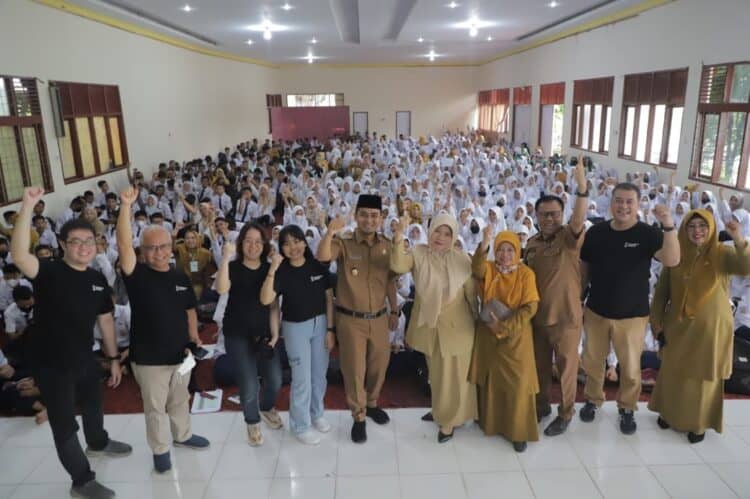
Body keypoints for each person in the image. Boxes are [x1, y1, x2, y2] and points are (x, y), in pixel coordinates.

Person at [12, 186, 131, 499]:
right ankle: (81, 480)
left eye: (89, 241)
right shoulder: (49, 271)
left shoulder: (95, 280)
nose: (83, 247)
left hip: (84, 355)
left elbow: (106, 321)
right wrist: (27, 206)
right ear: (62, 244)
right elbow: (20, 255)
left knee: (93, 401)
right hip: (51, 362)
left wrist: (114, 358)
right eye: (75, 242)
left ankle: (98, 441)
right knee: (64, 422)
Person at [116, 186, 209, 474]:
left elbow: (190, 309)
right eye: (151, 248)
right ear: (142, 252)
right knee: (155, 408)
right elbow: (122, 245)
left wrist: (194, 338)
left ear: (172, 247)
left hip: (180, 354)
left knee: (180, 398)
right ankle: (160, 450)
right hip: (149, 358)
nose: (158, 253)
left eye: (163, 246)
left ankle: (182, 435)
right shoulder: (137, 275)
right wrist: (126, 207)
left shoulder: (179, 275)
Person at [579, 183, 680, 434]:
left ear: (638, 205)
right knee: (592, 362)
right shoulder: (597, 232)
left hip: (632, 315)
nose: (623, 206)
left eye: (629, 202)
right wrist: (579, 299)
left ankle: (627, 407)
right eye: (619, 201)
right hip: (596, 311)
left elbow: (672, 259)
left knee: (631, 368)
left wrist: (668, 224)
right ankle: (593, 400)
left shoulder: (648, 234)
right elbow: (584, 269)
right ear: (611, 203)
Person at [649, 210, 750, 443]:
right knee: (674, 371)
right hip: (678, 325)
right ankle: (669, 413)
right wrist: (656, 322)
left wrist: (738, 238)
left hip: (711, 328)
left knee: (704, 377)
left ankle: (699, 423)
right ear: (684, 229)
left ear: (712, 229)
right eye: (691, 226)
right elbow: (662, 292)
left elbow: (746, 267)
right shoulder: (676, 254)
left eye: (702, 226)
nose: (697, 231)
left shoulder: (722, 253)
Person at [316, 194, 399, 443]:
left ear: (381, 218)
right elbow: (322, 257)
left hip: (380, 319)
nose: (369, 220)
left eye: (374, 215)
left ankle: (372, 402)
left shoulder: (386, 244)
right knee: (354, 370)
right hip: (350, 319)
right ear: (356, 216)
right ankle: (359, 415)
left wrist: (394, 310)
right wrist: (330, 231)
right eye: (364, 214)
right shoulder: (344, 242)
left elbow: (391, 281)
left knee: (378, 365)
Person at [390, 212, 478, 443]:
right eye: (437, 230)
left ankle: (449, 421)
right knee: (436, 375)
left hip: (458, 329)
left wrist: (479, 322)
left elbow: (471, 294)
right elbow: (398, 264)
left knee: (455, 378)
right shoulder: (419, 253)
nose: (440, 237)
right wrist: (399, 235)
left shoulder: (462, 259)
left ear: (454, 237)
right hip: (430, 327)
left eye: (447, 233)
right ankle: (440, 410)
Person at [524, 160, 588, 436]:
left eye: (554, 214)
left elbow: (578, 220)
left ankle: (565, 412)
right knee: (538, 368)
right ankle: (541, 406)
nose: (549, 219)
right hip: (537, 318)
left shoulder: (569, 239)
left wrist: (582, 189)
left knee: (565, 369)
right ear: (536, 216)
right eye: (543, 215)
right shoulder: (531, 244)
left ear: (562, 215)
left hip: (566, 318)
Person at [261, 224, 335, 445]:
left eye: (297, 241)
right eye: (287, 243)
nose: (293, 247)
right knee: (301, 378)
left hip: (320, 324)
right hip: (295, 328)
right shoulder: (281, 272)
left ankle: (317, 413)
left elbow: (329, 299)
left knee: (319, 374)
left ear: (304, 241)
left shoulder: (316, 266)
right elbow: (267, 301)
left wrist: (330, 329)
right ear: (281, 248)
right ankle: (300, 425)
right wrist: (272, 268)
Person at [469, 228, 540, 452]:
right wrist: (486, 242)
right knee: (492, 380)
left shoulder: (526, 274)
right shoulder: (489, 269)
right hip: (488, 334)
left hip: (516, 337)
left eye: (510, 250)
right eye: (500, 250)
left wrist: (506, 326)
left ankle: (518, 432)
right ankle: (490, 423)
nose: (505, 254)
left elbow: (531, 307)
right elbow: (477, 268)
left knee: (518, 384)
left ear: (518, 251)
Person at [215, 222, 283, 447]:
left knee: (274, 380)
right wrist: (225, 258)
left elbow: (272, 305)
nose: (253, 246)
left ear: (264, 245)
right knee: (249, 383)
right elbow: (222, 288)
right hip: (237, 332)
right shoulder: (233, 268)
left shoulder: (269, 269)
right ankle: (252, 421)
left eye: (258, 242)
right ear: (241, 243)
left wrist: (274, 335)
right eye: (248, 241)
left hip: (263, 333)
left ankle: (265, 408)